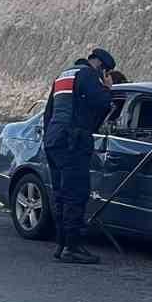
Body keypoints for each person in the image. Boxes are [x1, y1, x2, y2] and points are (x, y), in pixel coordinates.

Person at [42, 48, 116, 265]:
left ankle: (62, 244)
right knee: (76, 194)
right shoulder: (87, 75)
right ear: (101, 67)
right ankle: (72, 248)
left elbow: (48, 113)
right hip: (72, 141)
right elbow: (102, 103)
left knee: (61, 194)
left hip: (54, 140)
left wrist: (49, 138)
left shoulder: (63, 75)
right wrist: (108, 88)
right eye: (106, 72)